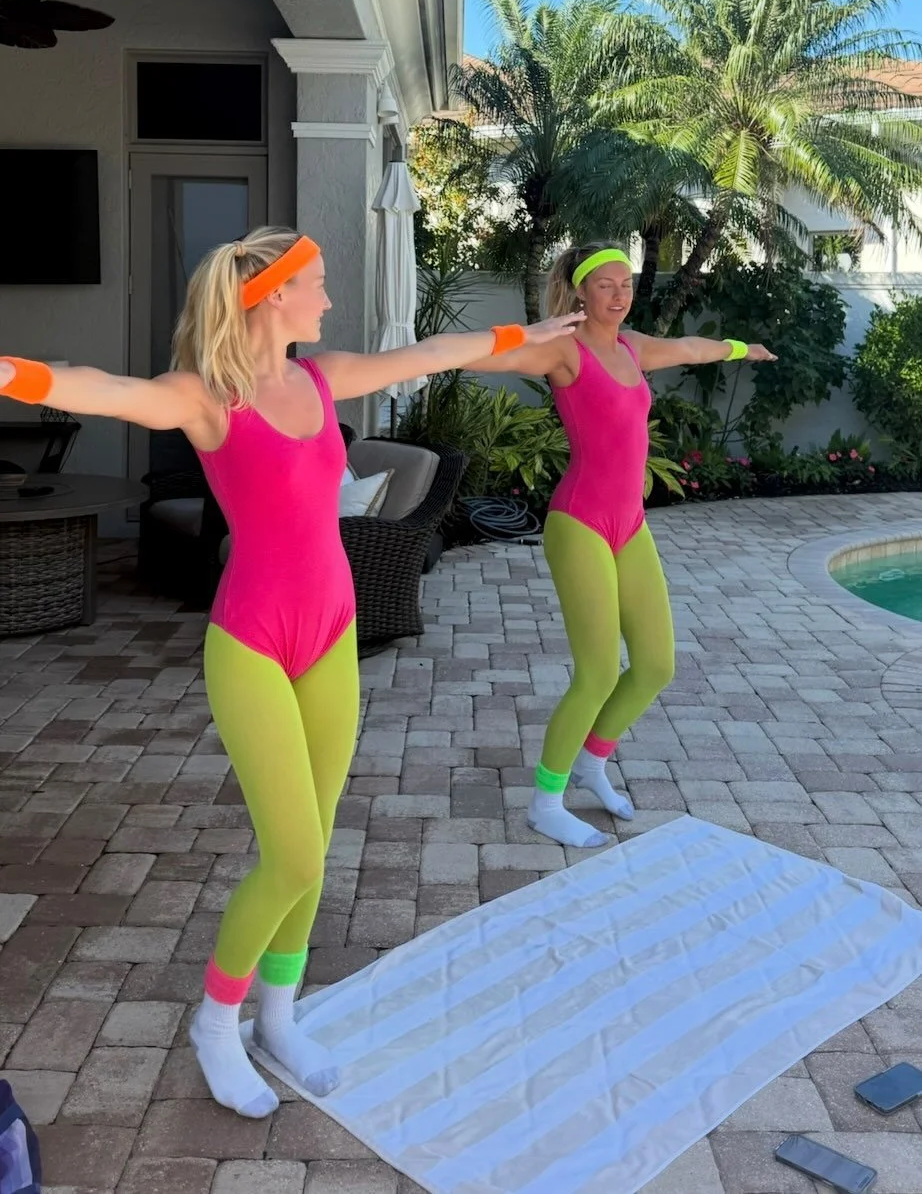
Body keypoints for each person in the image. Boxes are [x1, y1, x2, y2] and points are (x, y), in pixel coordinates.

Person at [0, 226, 582, 1119]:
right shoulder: (208, 396)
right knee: (295, 853)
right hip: (253, 645)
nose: (328, 298)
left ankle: (279, 1016)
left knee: (317, 841)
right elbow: (101, 390)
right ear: (274, 294)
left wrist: (521, 337)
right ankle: (215, 1022)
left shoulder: (321, 378)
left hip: (332, 636)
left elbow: (430, 352)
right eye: (316, 283)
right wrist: (10, 371)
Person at [467, 242, 775, 850]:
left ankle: (592, 762)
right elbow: (494, 358)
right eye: (605, 284)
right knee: (598, 672)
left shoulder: (634, 346)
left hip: (629, 524)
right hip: (579, 522)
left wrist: (742, 349)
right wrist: (434, 353)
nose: (618, 293)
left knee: (657, 664)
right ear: (581, 291)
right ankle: (546, 802)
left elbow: (691, 348)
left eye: (625, 282)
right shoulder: (564, 350)